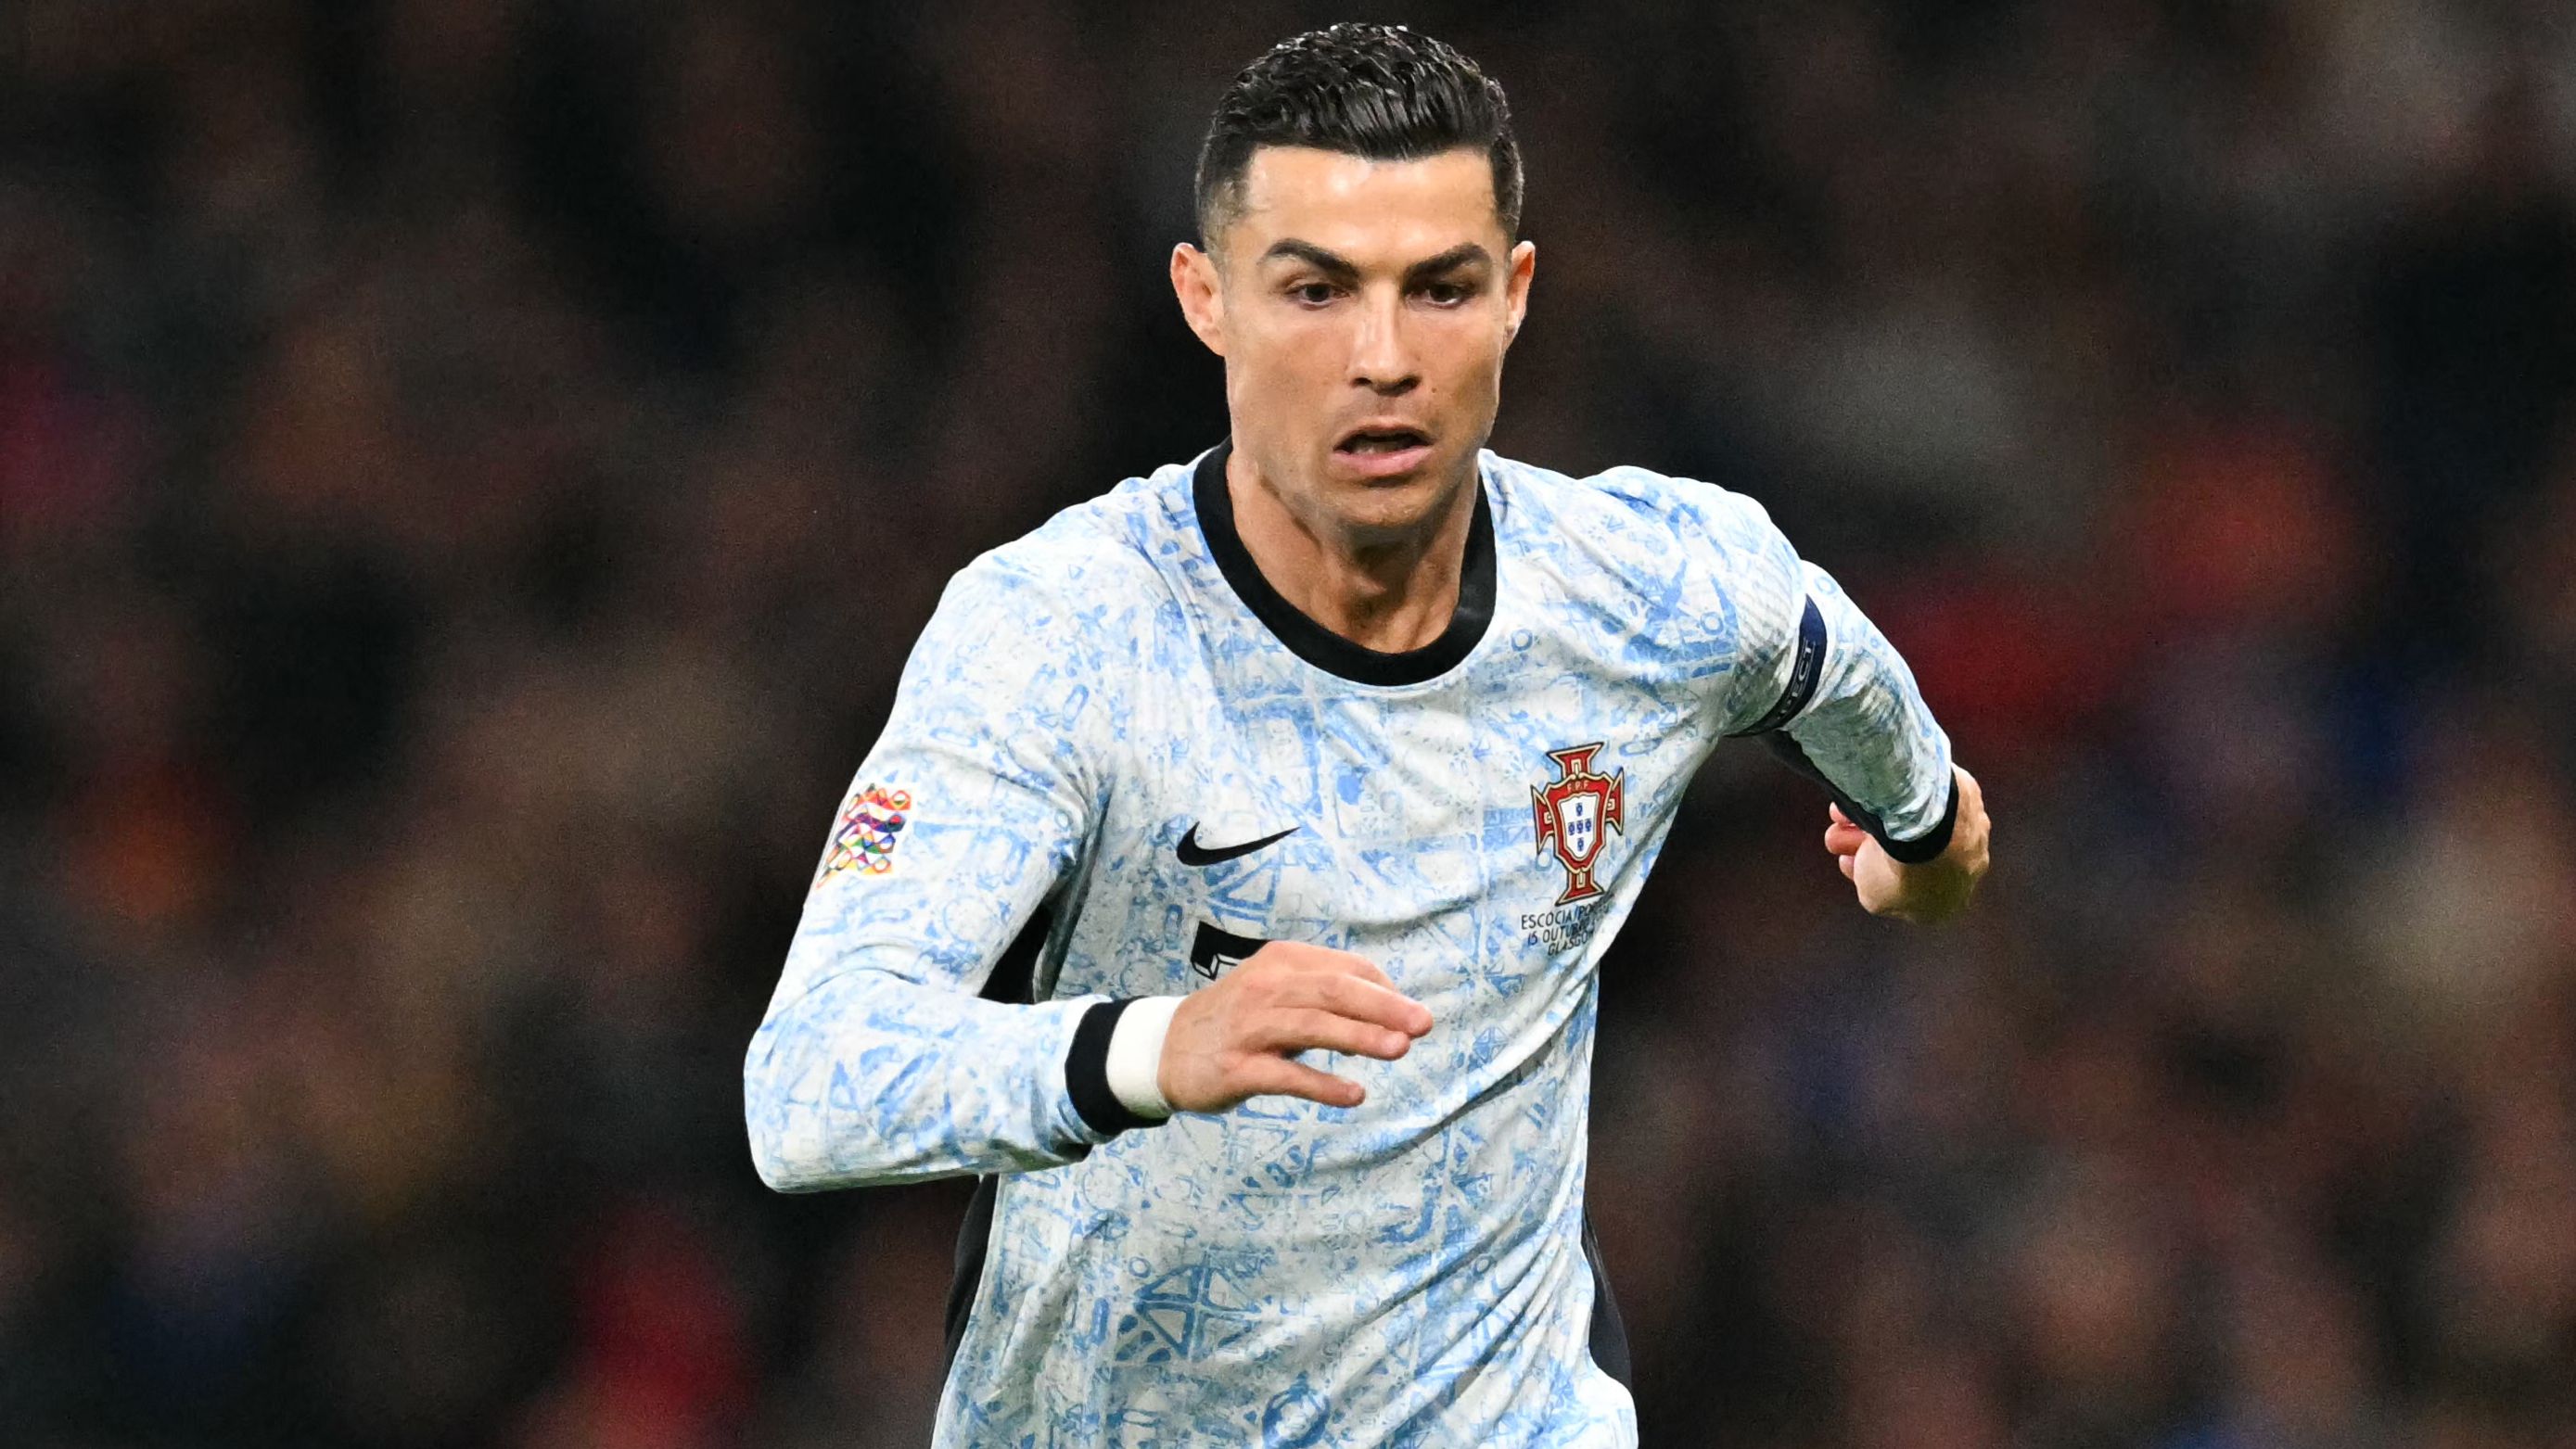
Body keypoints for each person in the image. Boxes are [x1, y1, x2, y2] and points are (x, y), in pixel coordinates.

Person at [745, 22, 1991, 1446]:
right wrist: (1154, 1047)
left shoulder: (1659, 587)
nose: (1383, 358)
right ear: (1206, 298)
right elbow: (812, 1087)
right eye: (1315, 291)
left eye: (1439, 289)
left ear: (1514, 296)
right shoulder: (1064, 636)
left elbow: (1852, 697)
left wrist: (1919, 846)